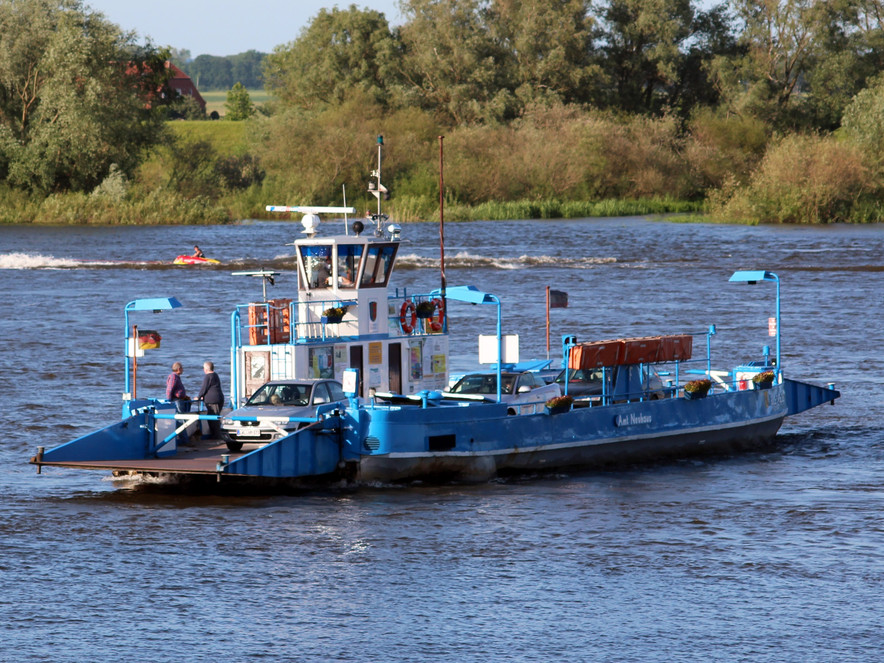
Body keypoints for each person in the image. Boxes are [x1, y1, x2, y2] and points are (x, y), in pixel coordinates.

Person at [196, 361, 225, 440]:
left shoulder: (208, 376)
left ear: (205, 369)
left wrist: (199, 397)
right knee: (213, 418)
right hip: (218, 399)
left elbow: (204, 388)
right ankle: (216, 435)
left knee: (214, 419)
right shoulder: (215, 375)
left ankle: (217, 436)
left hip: (213, 401)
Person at [166, 362, 191, 445]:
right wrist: (169, 400)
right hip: (176, 401)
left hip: (179, 400)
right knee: (180, 420)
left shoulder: (176, 377)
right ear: (179, 369)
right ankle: (185, 440)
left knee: (181, 420)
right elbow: (169, 389)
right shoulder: (174, 377)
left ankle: (184, 439)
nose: (183, 370)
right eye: (182, 368)